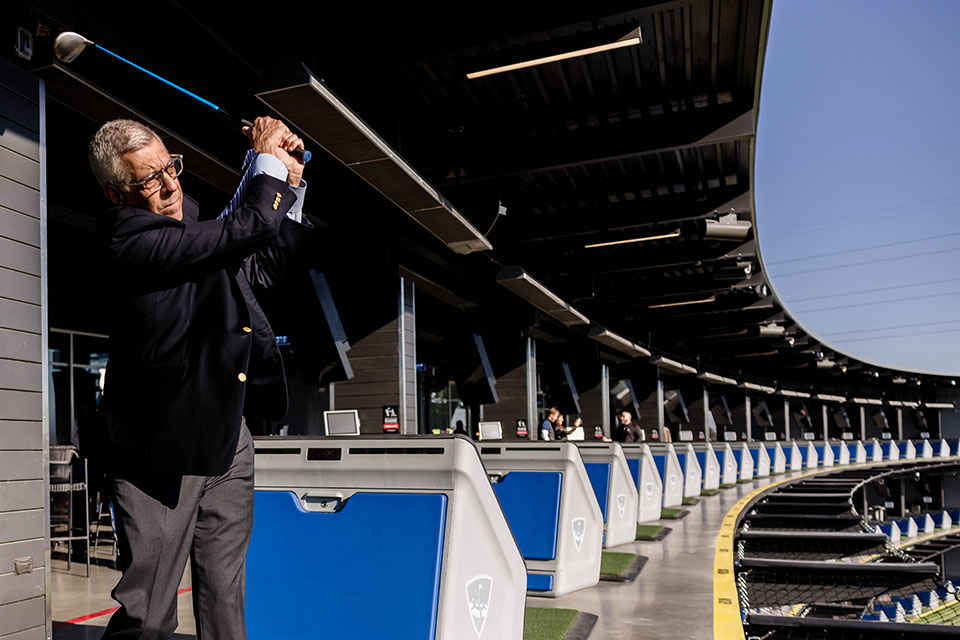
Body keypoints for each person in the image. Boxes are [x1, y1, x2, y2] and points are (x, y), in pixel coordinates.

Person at [88, 116, 311, 639]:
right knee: (149, 613)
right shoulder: (127, 242)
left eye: (170, 167)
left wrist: (290, 183)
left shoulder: (186, 220)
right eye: (148, 179)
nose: (169, 184)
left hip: (227, 437)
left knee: (225, 600)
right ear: (114, 193)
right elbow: (245, 226)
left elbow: (255, 265)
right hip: (158, 451)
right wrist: (265, 163)